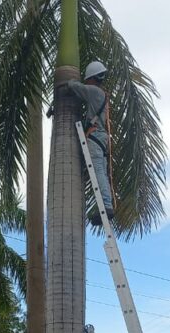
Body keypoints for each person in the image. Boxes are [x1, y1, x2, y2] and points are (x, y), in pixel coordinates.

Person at [64, 61, 115, 226]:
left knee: (98, 171)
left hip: (94, 137)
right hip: (100, 138)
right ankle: (105, 205)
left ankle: (106, 206)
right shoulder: (101, 94)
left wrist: (67, 82)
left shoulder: (94, 91)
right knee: (99, 170)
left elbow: (75, 86)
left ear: (92, 78)